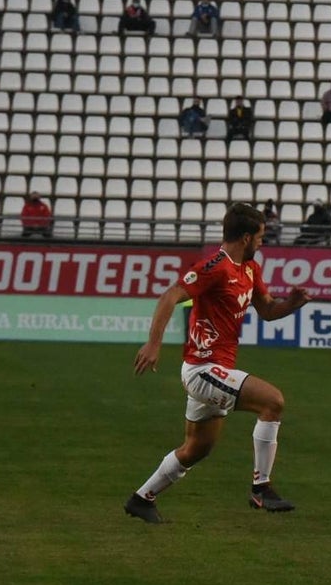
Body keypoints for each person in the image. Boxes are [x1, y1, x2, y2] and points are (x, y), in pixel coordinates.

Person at [125, 202, 312, 524]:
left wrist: (292, 305)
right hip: (203, 368)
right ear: (244, 238)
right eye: (260, 237)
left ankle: (141, 499)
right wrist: (154, 343)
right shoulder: (215, 267)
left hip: (217, 370)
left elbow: (267, 310)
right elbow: (171, 295)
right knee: (273, 402)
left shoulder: (250, 270)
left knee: (196, 449)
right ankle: (261, 487)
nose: (262, 243)